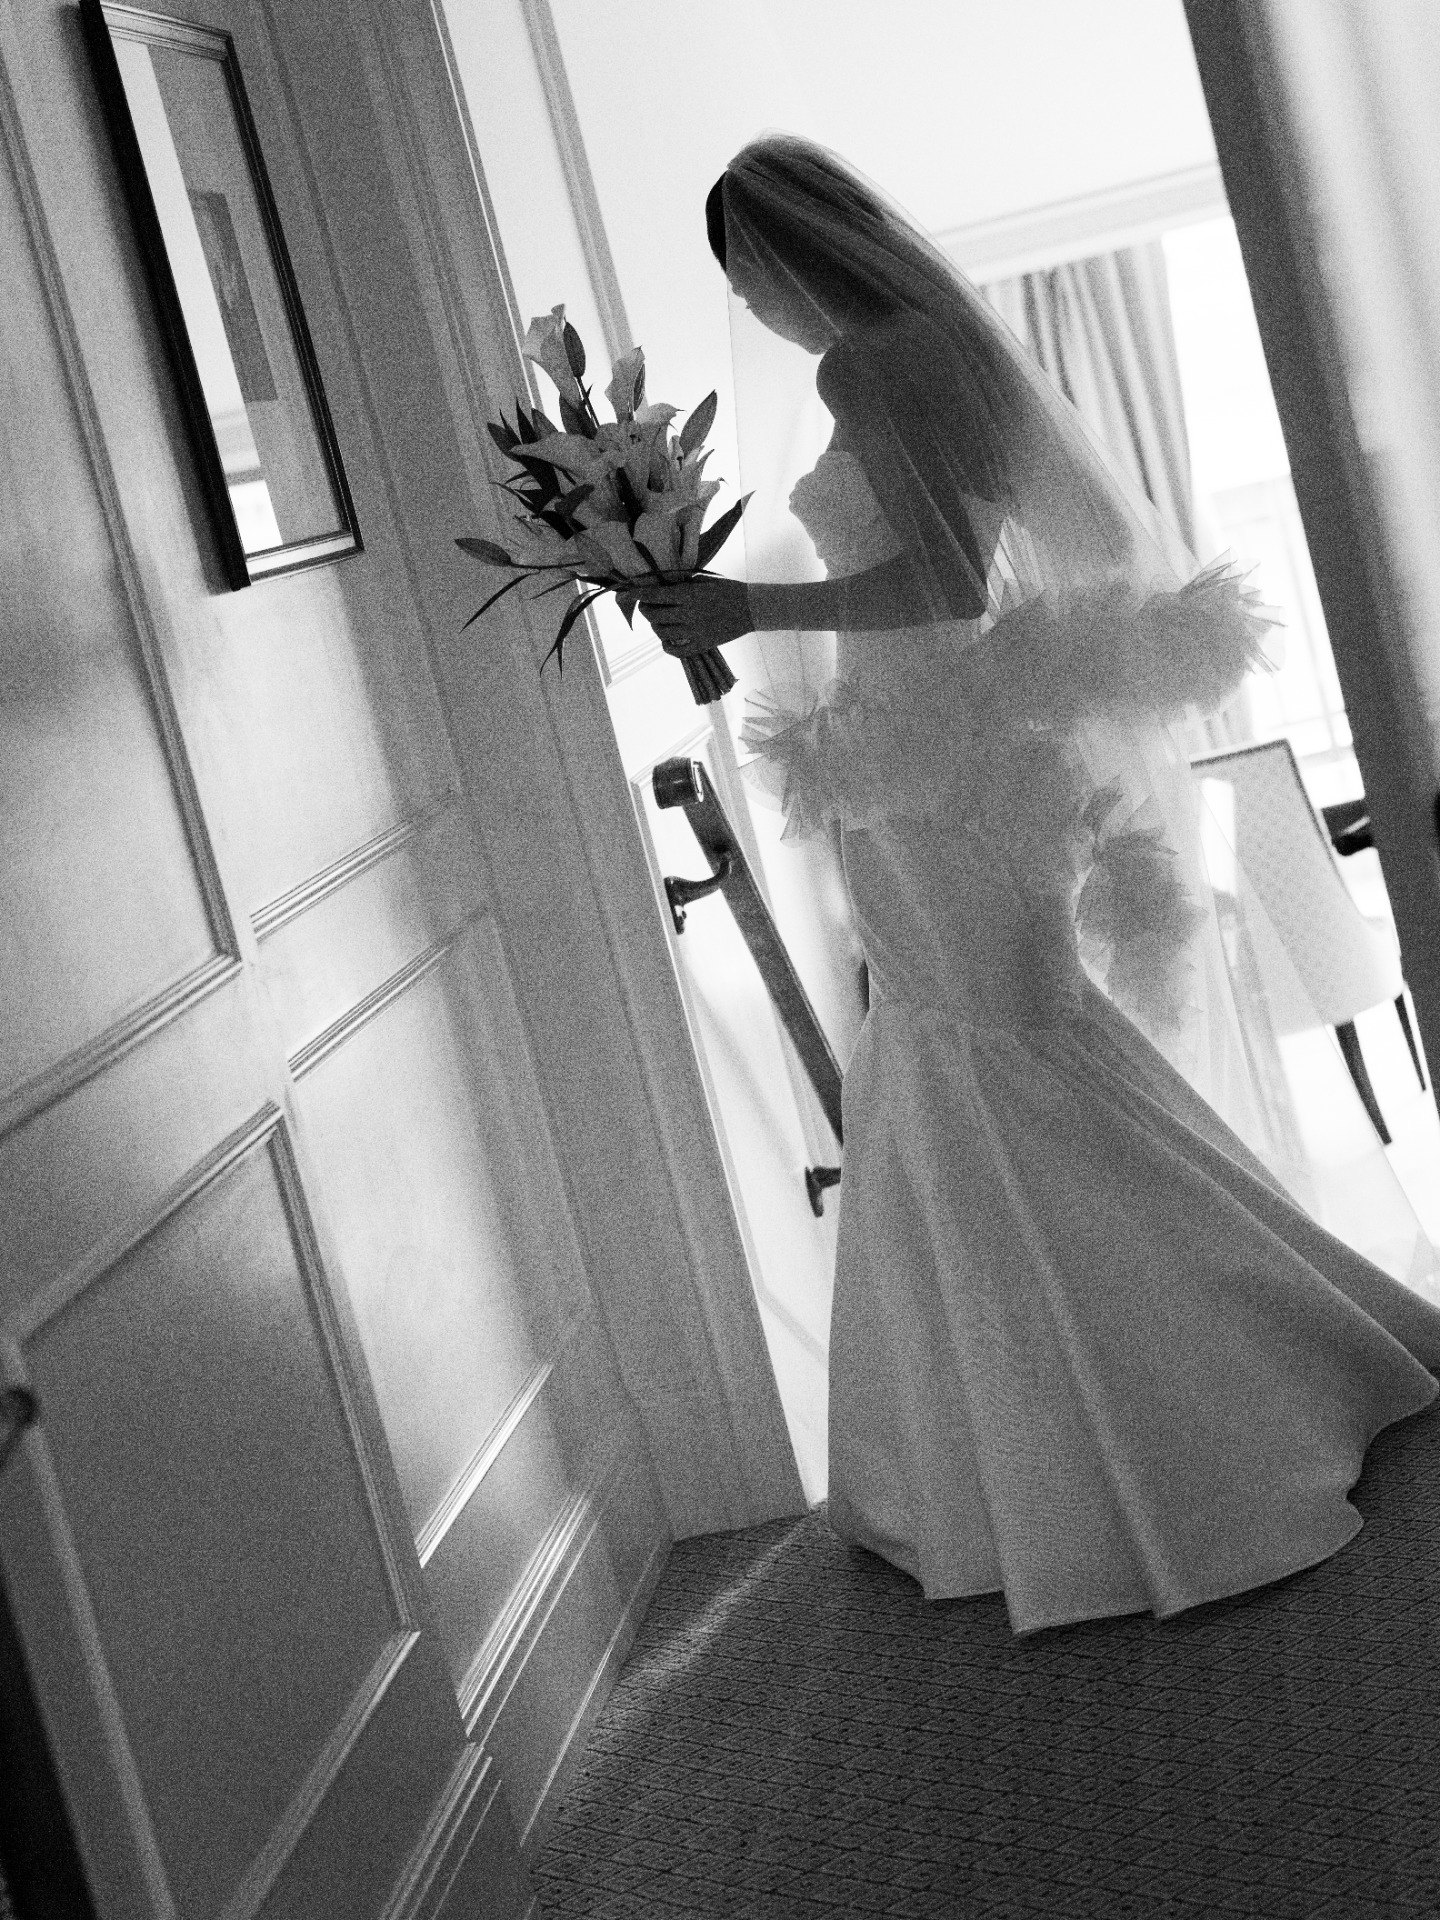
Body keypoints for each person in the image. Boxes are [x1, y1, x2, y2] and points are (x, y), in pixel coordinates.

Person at [638, 134, 1440, 1636]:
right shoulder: (943, 345)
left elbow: (945, 584)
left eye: (747, 277)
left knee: (990, 1057)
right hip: (961, 753)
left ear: (791, 251)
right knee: (1010, 1051)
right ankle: (1130, 1397)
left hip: (936, 760)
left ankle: (1144, 1429)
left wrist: (745, 601)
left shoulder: (871, 366)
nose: (754, 308)